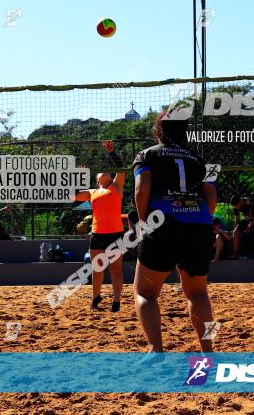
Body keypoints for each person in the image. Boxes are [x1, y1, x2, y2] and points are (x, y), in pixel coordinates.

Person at [133, 114, 218, 353]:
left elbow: (142, 190)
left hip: (162, 224)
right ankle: (208, 350)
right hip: (199, 225)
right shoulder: (199, 160)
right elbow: (211, 197)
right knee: (199, 294)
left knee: (145, 293)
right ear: (185, 133)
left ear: (158, 131)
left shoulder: (147, 155)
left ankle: (156, 349)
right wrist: (200, 220)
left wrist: (142, 222)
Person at [73, 140, 126, 312]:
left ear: (110, 176)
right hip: (98, 234)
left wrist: (111, 152)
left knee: (116, 270)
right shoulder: (92, 192)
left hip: (116, 234)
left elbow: (122, 167)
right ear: (97, 179)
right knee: (97, 269)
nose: (104, 171)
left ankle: (116, 302)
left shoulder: (117, 186)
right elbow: (72, 195)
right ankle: (96, 298)